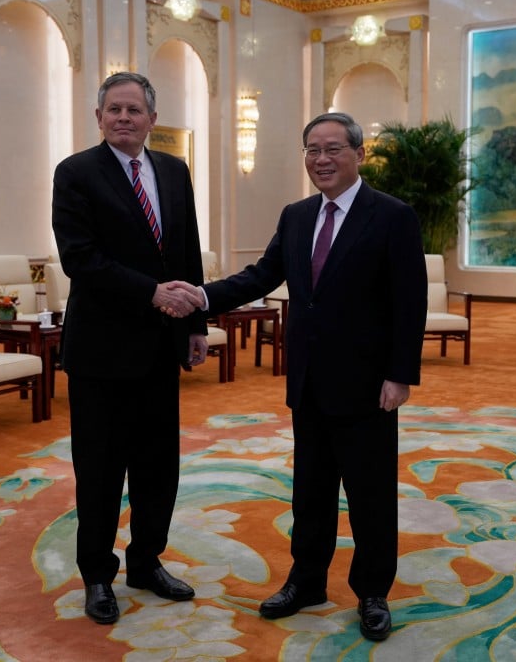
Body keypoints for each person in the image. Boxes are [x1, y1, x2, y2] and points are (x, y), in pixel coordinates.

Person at [171, 112, 427, 641]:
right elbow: (262, 275)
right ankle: (307, 580)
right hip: (308, 381)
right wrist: (203, 296)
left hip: (366, 385)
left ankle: (373, 592)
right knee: (310, 491)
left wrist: (400, 374)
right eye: (312, 149)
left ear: (359, 154)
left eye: (333, 148)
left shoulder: (393, 216)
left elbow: (410, 302)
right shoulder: (296, 215)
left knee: (370, 494)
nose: (322, 159)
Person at [51, 71, 209, 626]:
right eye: (113, 110)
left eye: (133, 110)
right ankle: (97, 575)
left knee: (157, 466)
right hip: (100, 352)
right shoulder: (75, 173)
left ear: (151, 119)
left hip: (159, 350)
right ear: (98, 118)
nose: (123, 118)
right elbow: (81, 259)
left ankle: (146, 561)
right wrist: (151, 292)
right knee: (98, 469)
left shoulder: (174, 171)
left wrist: (195, 324)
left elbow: (185, 249)